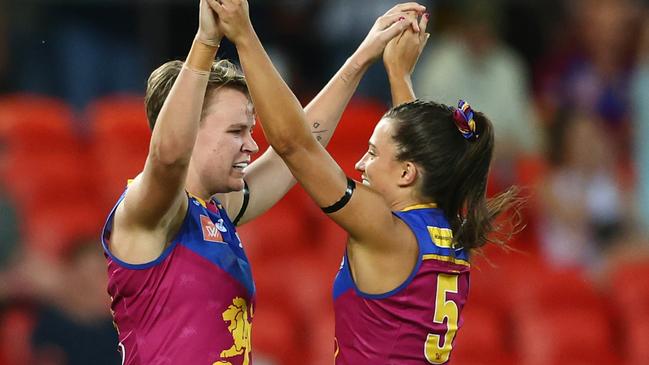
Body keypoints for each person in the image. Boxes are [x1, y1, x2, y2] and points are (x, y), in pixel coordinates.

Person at [100, 1, 426, 364]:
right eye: (236, 131)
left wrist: (361, 58)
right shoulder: (148, 211)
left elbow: (300, 148)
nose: (252, 145)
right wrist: (206, 41)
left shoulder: (218, 209)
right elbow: (169, 156)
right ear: (190, 130)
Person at [212, 0, 519, 363]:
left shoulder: (384, 229)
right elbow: (417, 155)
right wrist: (399, 75)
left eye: (372, 153)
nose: (360, 164)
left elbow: (294, 146)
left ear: (407, 174)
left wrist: (245, 36)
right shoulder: (450, 227)